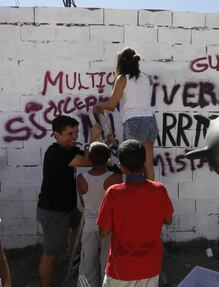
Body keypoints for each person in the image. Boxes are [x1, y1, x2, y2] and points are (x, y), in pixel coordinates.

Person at [97, 139, 173, 287]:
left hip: (121, 269)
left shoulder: (113, 193)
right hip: (150, 267)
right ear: (144, 162)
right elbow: (168, 220)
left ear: (122, 167)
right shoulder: (159, 189)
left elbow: (103, 233)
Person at [37, 115, 101, 287]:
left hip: (68, 207)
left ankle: (71, 258)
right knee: (51, 253)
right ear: (56, 135)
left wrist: (104, 143)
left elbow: (93, 157)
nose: (75, 137)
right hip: (54, 212)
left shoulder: (69, 149)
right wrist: (93, 138)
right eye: (70, 133)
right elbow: (87, 161)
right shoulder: (55, 153)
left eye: (77, 132)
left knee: (76, 228)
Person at [94, 47, 158, 181]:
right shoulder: (146, 78)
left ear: (121, 63)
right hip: (150, 122)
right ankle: (151, 198)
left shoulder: (122, 79)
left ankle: (133, 199)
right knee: (148, 167)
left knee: (131, 166)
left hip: (134, 123)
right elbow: (150, 82)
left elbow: (111, 105)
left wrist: (100, 105)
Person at [77, 142, 123, 287]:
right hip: (109, 225)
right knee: (107, 262)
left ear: (90, 158)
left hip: (90, 225)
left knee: (87, 264)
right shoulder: (115, 178)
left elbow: (83, 205)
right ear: (108, 157)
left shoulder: (80, 178)